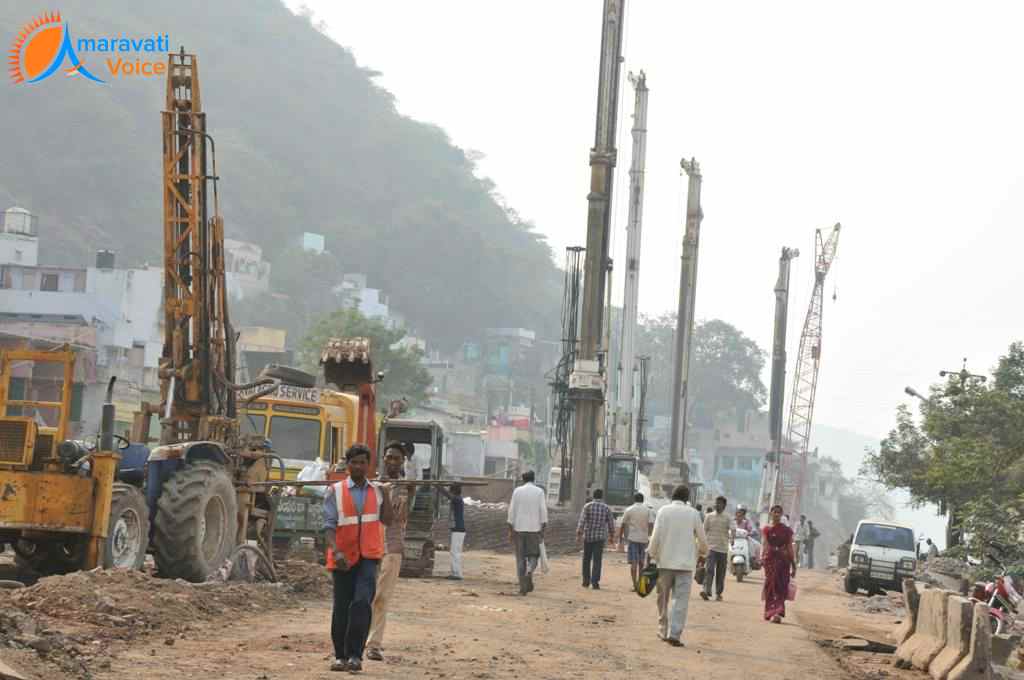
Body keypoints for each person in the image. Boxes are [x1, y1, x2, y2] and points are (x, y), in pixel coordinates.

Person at [324, 444, 394, 673]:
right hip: (343, 557)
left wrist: (387, 494)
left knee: (362, 604)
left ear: (368, 465)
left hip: (369, 557)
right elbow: (329, 526)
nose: (358, 466)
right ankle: (340, 656)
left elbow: (388, 520)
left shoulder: (377, 491)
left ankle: (355, 655)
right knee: (342, 606)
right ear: (347, 464)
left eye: (362, 462)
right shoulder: (335, 491)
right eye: (354, 462)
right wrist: (336, 551)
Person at [366, 443, 411, 662]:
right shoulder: (371, 483)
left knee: (382, 597)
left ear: (403, 461)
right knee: (364, 596)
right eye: (388, 457)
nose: (392, 461)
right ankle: (356, 639)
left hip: (392, 547)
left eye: (396, 458)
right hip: (368, 546)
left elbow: (400, 518)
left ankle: (374, 644)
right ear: (383, 459)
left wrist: (402, 490)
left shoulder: (406, 486)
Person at [648, 485, 708, 647]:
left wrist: (652, 554)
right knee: (680, 600)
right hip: (685, 565)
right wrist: (703, 552)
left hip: (664, 563)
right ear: (687, 498)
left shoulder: (663, 511)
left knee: (662, 599)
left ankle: (662, 630)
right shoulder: (693, 514)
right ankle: (674, 634)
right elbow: (702, 539)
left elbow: (656, 536)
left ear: (672, 496)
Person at [507, 470, 547, 596]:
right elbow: (543, 510)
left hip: (519, 529)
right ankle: (529, 571)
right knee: (534, 556)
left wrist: (510, 530)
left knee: (520, 559)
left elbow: (511, 511)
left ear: (523, 479)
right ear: (534, 479)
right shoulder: (539, 492)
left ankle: (522, 588)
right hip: (534, 530)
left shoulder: (517, 491)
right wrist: (543, 528)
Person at [761, 504, 796, 624]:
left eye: (778, 512)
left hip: (783, 561)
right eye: (774, 512)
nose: (776, 514)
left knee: (781, 586)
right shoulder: (766, 529)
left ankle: (777, 613)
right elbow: (765, 545)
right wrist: (762, 558)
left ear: (781, 515)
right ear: (770, 513)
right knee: (771, 586)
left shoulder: (787, 531)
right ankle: (770, 612)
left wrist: (794, 564)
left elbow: (790, 547)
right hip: (770, 561)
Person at [576, 489, 617, 590]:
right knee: (597, 560)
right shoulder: (606, 508)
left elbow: (582, 522)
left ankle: (586, 581)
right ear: (602, 496)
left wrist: (579, 535)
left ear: (593, 496)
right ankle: (595, 583)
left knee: (586, 559)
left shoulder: (587, 506)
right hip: (600, 538)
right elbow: (611, 524)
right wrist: (612, 536)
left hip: (588, 537)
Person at [618, 492, 654, 589]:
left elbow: (623, 524)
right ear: (643, 500)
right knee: (641, 563)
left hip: (632, 539)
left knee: (634, 563)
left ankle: (634, 585)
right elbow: (651, 524)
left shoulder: (629, 509)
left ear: (634, 499)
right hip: (644, 539)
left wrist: (620, 537)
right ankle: (640, 584)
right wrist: (650, 536)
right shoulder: (648, 510)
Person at [701, 495, 731, 602]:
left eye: (719, 503)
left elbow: (732, 529)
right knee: (709, 569)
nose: (717, 504)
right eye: (716, 502)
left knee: (720, 572)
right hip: (711, 548)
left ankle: (718, 593)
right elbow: (704, 531)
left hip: (723, 549)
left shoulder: (727, 518)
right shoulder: (709, 516)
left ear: (724, 505)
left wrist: (732, 539)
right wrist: (702, 545)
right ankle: (706, 590)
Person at [440, 483, 466, 580]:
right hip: (458, 529)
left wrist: (437, 486)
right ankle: (455, 573)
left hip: (458, 529)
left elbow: (447, 495)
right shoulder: (458, 499)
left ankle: (457, 574)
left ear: (453, 491)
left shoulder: (457, 499)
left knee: (455, 552)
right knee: (455, 552)